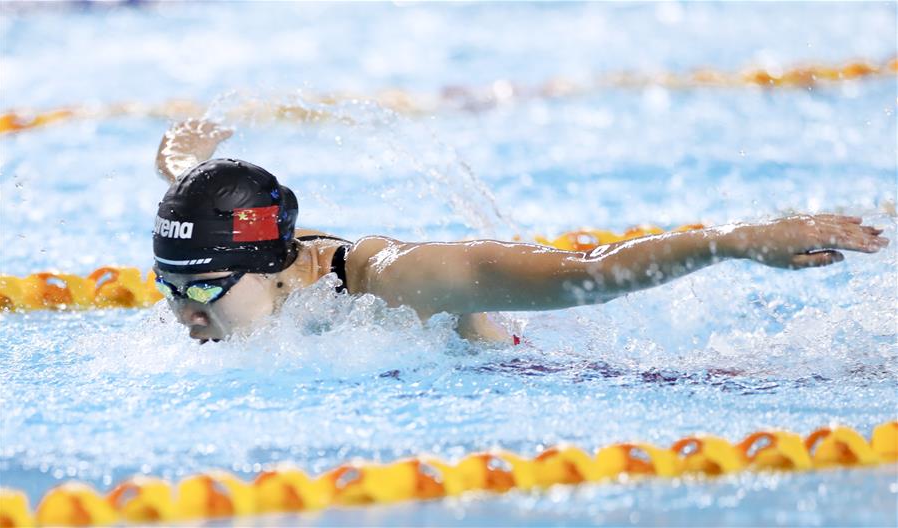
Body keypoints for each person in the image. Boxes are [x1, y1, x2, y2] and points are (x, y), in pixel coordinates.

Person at [152, 119, 889, 344]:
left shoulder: (397, 280)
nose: (186, 314)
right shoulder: (253, 259)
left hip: (556, 380)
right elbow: (202, 207)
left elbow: (589, 274)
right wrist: (187, 162)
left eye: (205, 289)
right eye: (171, 288)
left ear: (277, 265)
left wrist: (730, 240)